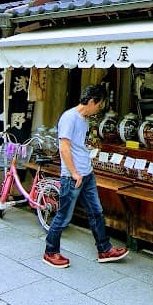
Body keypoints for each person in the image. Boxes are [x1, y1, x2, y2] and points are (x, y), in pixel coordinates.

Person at [43, 84, 129, 268]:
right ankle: (50, 251)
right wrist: (74, 173)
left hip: (86, 174)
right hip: (73, 177)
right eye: (99, 105)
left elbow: (77, 145)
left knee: (96, 212)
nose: (99, 109)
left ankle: (104, 249)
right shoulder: (70, 118)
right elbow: (64, 147)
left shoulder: (84, 119)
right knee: (63, 216)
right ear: (91, 101)